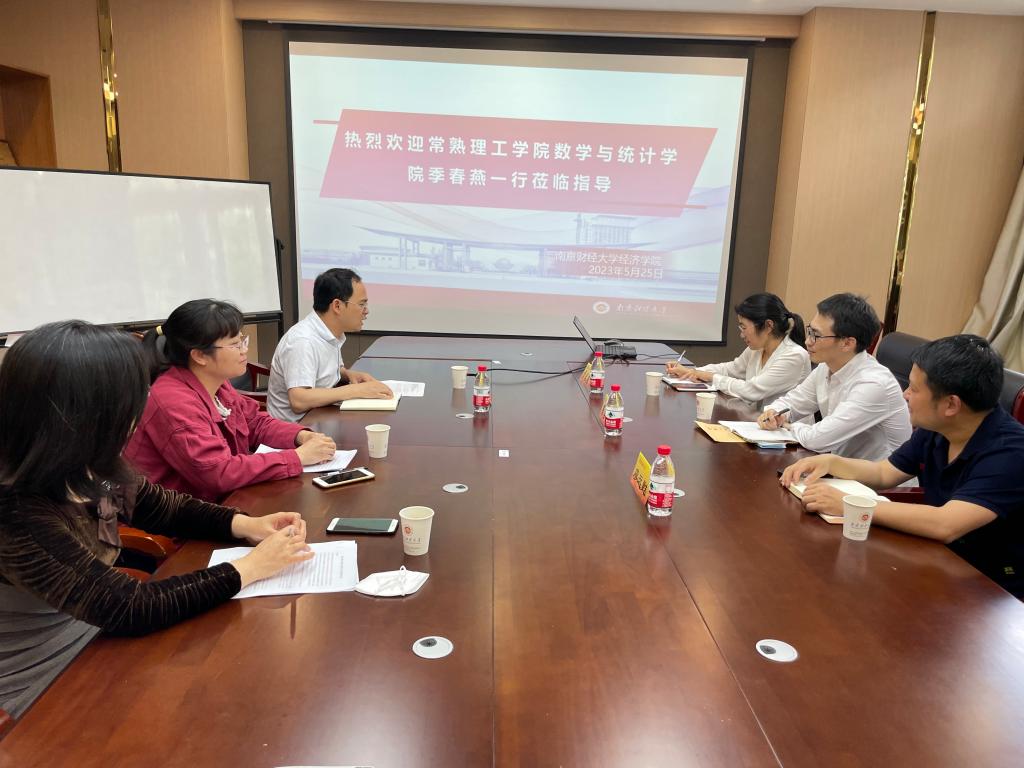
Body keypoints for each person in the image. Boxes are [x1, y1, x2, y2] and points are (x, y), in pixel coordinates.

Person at [0, 321, 315, 719]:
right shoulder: (17, 511)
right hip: (43, 674)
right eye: (130, 402)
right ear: (85, 416)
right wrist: (250, 568)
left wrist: (244, 525)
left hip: (95, 633)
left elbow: (163, 507)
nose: (138, 413)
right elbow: (128, 607)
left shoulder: (88, 464)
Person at [781, 335, 1024, 597]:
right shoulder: (938, 428)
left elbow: (947, 524)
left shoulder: (1011, 452)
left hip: (993, 587)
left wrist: (851, 506)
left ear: (951, 404)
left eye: (915, 389)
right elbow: (885, 472)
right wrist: (832, 462)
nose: (905, 394)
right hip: (936, 558)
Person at [124, 300, 337, 502]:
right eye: (235, 344)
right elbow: (217, 472)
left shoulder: (216, 382)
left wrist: (301, 436)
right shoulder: (173, 400)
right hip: (176, 519)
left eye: (243, 340)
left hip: (221, 501)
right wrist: (297, 458)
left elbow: (254, 423)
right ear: (199, 355)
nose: (244, 350)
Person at [759, 293, 911, 460]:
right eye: (810, 331)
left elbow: (818, 440)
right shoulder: (825, 367)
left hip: (877, 476)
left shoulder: (873, 384)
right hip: (842, 468)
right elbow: (792, 402)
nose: (808, 341)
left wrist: (785, 425)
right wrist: (774, 413)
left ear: (847, 343)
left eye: (816, 335)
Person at [267, 268, 393, 423]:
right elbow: (299, 400)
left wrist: (348, 374)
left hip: (320, 418)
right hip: (297, 429)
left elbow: (322, 371)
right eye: (361, 304)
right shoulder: (303, 341)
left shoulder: (330, 333)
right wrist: (356, 390)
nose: (366, 311)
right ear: (337, 306)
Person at [665, 293, 810, 408]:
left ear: (768, 326)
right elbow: (731, 369)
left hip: (786, 433)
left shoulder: (794, 356)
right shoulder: (757, 349)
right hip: (755, 423)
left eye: (744, 327)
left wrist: (709, 376)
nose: (741, 334)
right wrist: (691, 371)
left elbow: (751, 391)